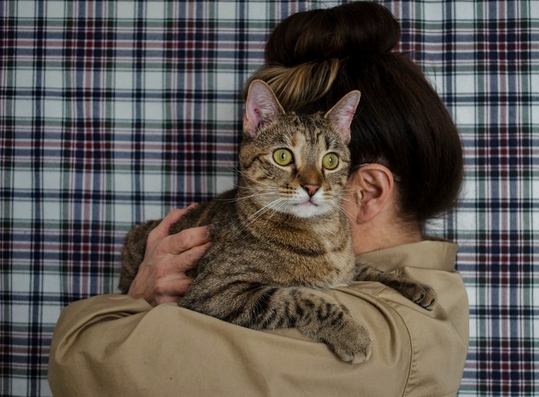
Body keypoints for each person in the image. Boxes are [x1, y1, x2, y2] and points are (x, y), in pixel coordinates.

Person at [48, 2, 468, 396]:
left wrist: (135, 296)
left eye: (326, 163)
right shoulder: (431, 296)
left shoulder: (373, 336)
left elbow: (79, 365)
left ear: (369, 190)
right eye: (284, 157)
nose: (307, 180)